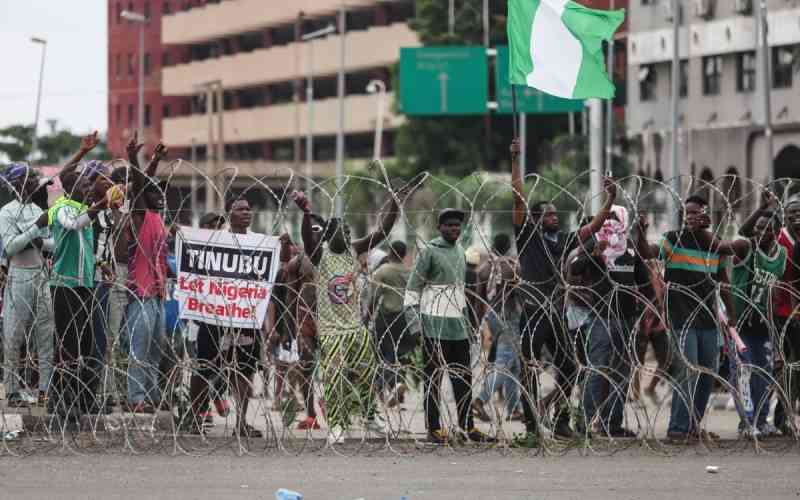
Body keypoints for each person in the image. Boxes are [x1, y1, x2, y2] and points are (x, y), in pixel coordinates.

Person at [509, 138, 617, 442]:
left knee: (570, 367)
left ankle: (559, 421)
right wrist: (516, 159)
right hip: (533, 311)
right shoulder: (527, 234)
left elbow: (591, 229)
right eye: (550, 214)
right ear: (536, 218)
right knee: (528, 368)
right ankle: (531, 427)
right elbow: (518, 198)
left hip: (555, 311)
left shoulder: (562, 241)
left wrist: (610, 200)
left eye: (557, 214)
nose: (555, 217)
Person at [292, 185, 411, 445]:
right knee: (335, 382)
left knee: (367, 376)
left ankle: (369, 416)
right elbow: (308, 240)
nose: (346, 235)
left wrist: (395, 202)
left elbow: (382, 231)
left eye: (348, 232)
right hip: (333, 332)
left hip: (356, 330)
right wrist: (306, 212)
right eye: (341, 231)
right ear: (328, 235)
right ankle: (337, 424)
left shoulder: (353, 251)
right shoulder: (320, 255)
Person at [637, 194, 738, 442]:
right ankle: (678, 429)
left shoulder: (714, 246)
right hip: (682, 318)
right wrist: (640, 233)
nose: (691, 216)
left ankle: (693, 424)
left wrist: (732, 316)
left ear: (706, 217)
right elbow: (648, 252)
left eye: (697, 212)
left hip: (708, 320)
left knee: (707, 374)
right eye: (688, 212)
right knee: (688, 373)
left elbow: (723, 284)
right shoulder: (673, 239)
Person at [405, 208, 494, 444]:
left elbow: (459, 294)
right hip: (434, 325)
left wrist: (468, 324)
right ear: (440, 228)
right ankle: (434, 429)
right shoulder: (429, 252)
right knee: (433, 379)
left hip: (458, 327)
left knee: (462, 379)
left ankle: (467, 426)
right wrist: (416, 327)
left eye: (458, 226)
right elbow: (413, 289)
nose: (455, 229)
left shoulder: (459, 252)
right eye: (450, 225)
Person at [565, 206, 653, 437]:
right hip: (601, 318)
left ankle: (610, 424)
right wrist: (593, 252)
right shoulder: (596, 246)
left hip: (626, 319)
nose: (611, 224)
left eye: (616, 219)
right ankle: (583, 423)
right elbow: (574, 268)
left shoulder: (629, 250)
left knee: (621, 372)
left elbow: (646, 284)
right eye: (608, 218)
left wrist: (642, 312)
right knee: (597, 371)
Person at [189, 197, 271, 437]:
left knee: (245, 369)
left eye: (249, 208)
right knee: (204, 366)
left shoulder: (259, 242)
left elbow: (265, 277)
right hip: (215, 314)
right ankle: (195, 418)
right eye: (241, 209)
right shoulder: (216, 240)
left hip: (244, 315)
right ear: (230, 214)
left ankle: (241, 423)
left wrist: (282, 246)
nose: (247, 212)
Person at [41, 157, 115, 423]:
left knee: (83, 345)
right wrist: (99, 206)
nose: (87, 188)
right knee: (67, 345)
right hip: (64, 284)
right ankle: (61, 400)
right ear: (70, 187)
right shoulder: (63, 207)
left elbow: (83, 249)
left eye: (88, 185)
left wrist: (100, 263)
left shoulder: (84, 211)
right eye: (83, 184)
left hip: (84, 284)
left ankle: (80, 399)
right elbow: (73, 224)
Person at [0, 164, 56, 407]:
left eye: (34, 177)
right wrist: (35, 230)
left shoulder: (37, 209)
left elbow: (53, 243)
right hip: (19, 275)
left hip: (41, 274)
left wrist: (36, 238)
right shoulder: (6, 212)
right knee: (14, 335)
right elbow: (10, 247)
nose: (34, 181)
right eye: (28, 178)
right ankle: (12, 391)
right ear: (15, 184)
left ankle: (45, 390)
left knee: (45, 335)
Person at [730, 212, 787, 437]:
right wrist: (760, 208)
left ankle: (762, 421)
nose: (761, 232)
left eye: (767, 229)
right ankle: (747, 423)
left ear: (776, 233)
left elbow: (774, 294)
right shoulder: (745, 249)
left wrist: (775, 329)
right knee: (744, 373)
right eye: (758, 227)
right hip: (740, 322)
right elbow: (742, 234)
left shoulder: (780, 255)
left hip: (762, 323)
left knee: (764, 374)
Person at [125, 133, 170, 413]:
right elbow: (141, 188)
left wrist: (155, 161)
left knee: (155, 349)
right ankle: (136, 397)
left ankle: (152, 394)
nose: (161, 195)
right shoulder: (141, 215)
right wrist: (135, 158)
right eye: (156, 192)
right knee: (139, 347)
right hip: (140, 291)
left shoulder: (158, 218)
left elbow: (147, 186)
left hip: (158, 292)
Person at [473, 234, 522, 422]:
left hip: (492, 316)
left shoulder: (484, 269)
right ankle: (480, 399)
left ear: (493, 246)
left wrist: (478, 324)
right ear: (509, 246)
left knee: (513, 365)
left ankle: (514, 409)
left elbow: (479, 302)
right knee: (503, 363)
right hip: (509, 315)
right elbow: (521, 295)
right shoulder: (514, 266)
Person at [283, 222, 322, 431]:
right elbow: (291, 295)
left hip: (330, 320)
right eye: (311, 230)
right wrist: (289, 327)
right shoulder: (298, 262)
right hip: (305, 319)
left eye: (318, 230)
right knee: (306, 367)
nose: (314, 234)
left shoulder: (334, 257)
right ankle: (311, 414)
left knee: (336, 367)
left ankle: (332, 407)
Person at [369, 240, 416, 408]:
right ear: (404, 254)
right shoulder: (410, 272)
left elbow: (373, 297)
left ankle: (385, 384)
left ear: (389, 252)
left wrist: (367, 317)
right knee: (400, 355)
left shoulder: (383, 271)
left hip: (387, 318)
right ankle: (397, 385)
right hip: (406, 319)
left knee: (384, 355)